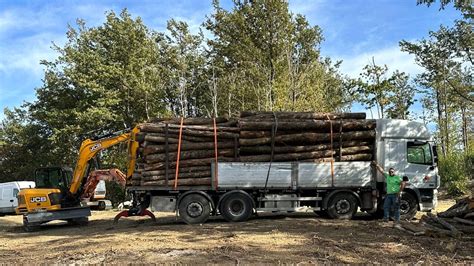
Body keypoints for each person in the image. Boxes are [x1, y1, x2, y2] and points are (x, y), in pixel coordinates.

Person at [371, 161, 406, 227]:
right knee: (385, 206)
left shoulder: (397, 177)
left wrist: (400, 191)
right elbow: (381, 171)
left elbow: (403, 183)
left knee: (396, 208)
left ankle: (397, 220)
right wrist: (376, 165)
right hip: (388, 195)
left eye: (392, 171)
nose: (391, 172)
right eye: (390, 171)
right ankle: (386, 219)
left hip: (395, 195)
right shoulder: (388, 176)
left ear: (394, 172)